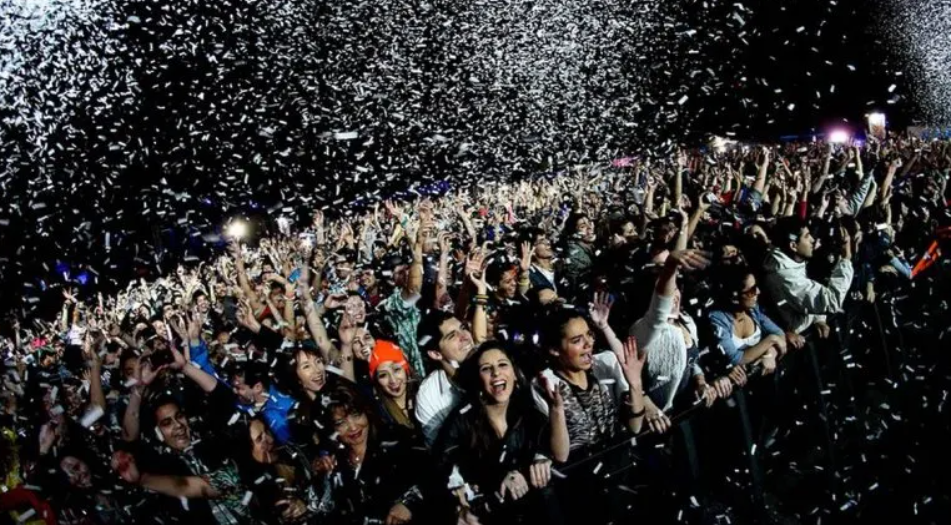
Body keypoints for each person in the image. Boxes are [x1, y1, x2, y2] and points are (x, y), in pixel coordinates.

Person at [434, 342, 568, 525]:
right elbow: (441, 473)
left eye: (503, 365)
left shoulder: (526, 409)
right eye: (486, 369)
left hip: (535, 507)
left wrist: (556, 410)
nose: (496, 373)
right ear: (478, 379)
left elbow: (561, 455)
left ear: (514, 374)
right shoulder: (461, 420)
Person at [761, 217, 855, 337]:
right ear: (793, 246)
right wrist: (846, 259)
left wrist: (818, 319)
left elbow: (809, 294)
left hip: (806, 325)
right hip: (797, 334)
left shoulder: (791, 260)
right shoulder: (787, 277)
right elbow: (832, 301)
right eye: (807, 236)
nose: (812, 240)